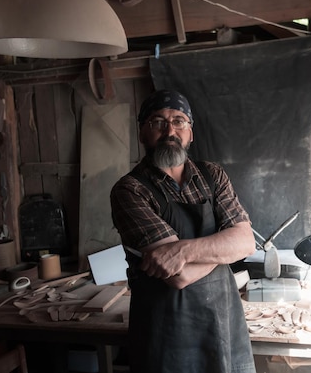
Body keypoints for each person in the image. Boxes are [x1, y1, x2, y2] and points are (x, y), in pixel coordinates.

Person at [110, 89, 257, 373]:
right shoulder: (130, 190)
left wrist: (181, 250)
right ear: (142, 132)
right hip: (166, 333)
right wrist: (226, 248)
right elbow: (179, 276)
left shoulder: (212, 175)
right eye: (157, 122)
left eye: (179, 121)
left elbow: (247, 242)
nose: (170, 130)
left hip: (224, 322)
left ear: (190, 132)